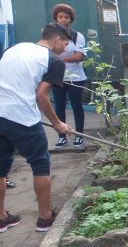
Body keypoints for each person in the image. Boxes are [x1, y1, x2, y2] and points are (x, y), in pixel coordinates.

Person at [0, 22, 74, 233]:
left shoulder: (13, 48)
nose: (65, 49)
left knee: (0, 169)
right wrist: (57, 123)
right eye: (65, 43)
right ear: (57, 39)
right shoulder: (53, 61)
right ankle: (45, 218)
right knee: (41, 165)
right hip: (22, 117)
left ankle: (1, 218)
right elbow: (41, 95)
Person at [50, 4, 87, 148]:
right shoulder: (51, 36)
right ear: (56, 19)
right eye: (60, 17)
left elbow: (78, 56)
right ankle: (62, 137)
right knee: (59, 107)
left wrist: (58, 59)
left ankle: (79, 136)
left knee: (77, 106)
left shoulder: (77, 36)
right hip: (57, 77)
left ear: (71, 19)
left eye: (66, 17)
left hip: (76, 77)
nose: (63, 20)